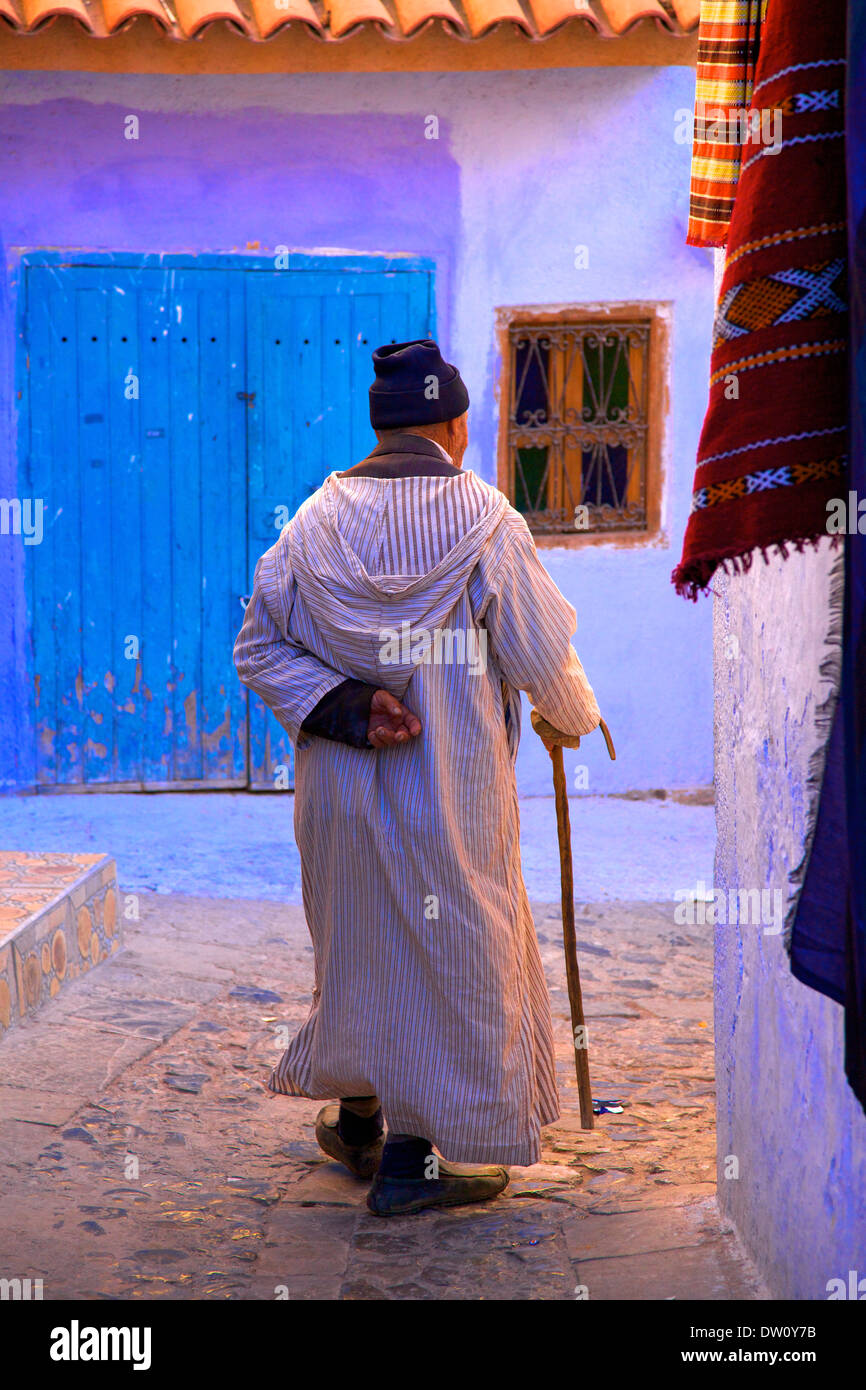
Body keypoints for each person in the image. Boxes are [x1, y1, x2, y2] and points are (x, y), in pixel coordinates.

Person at [234, 338, 600, 1217]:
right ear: (457, 424)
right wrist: (575, 714)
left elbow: (257, 649)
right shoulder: (487, 521)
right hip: (453, 793)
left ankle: (358, 1119)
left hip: (341, 797)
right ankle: (412, 1161)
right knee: (454, 956)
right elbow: (542, 652)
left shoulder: (311, 524)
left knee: (360, 950)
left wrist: (346, 703)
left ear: (383, 428)